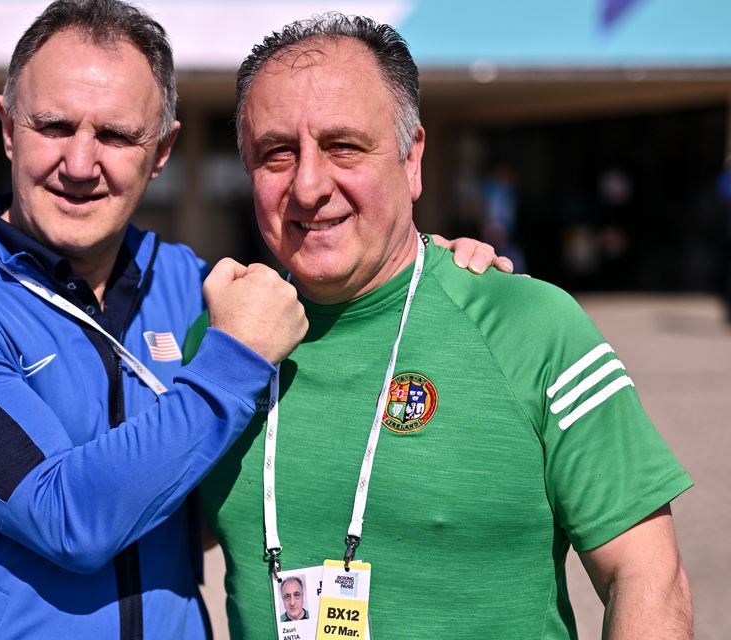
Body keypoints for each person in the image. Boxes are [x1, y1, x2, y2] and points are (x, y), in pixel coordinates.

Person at [0, 2, 499, 638]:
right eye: (54, 126)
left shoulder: (198, 289)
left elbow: (339, 349)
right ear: (7, 126)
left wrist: (429, 272)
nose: (79, 164)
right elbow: (68, 519)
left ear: (162, 150)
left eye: (115, 135)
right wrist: (234, 359)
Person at [194, 13, 693, 639]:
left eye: (343, 145)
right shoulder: (219, 345)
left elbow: (647, 577)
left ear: (411, 159)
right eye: (276, 153)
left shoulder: (532, 326)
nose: (309, 185)